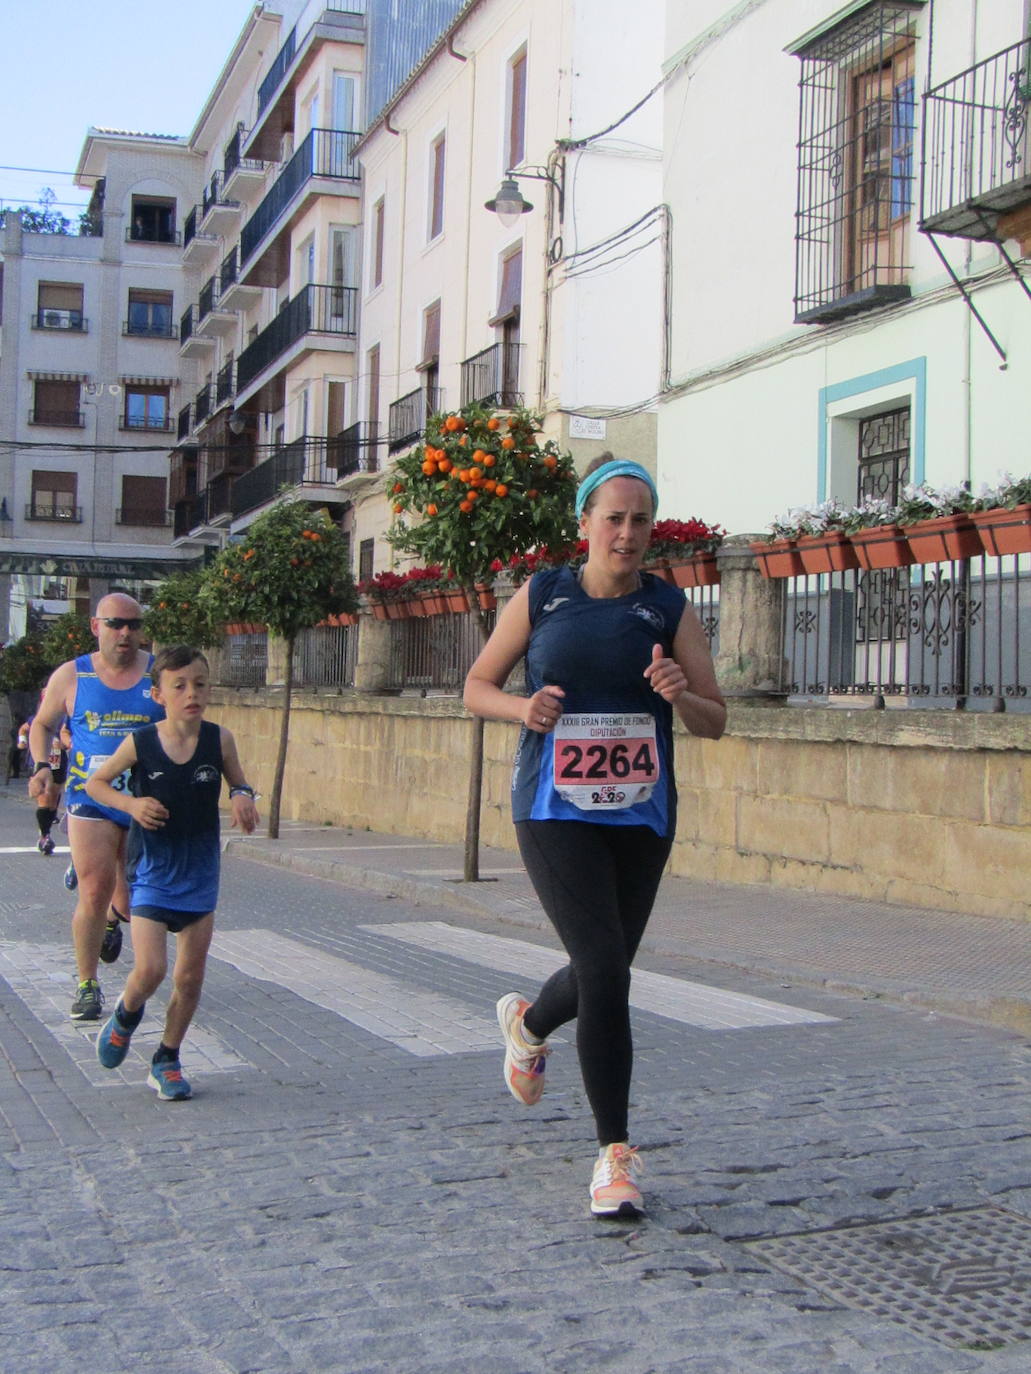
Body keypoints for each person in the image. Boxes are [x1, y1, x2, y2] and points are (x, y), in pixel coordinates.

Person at [464, 456, 726, 1219]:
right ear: (583, 524)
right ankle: (613, 1155)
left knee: (601, 965)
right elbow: (477, 685)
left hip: (640, 814)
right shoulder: (544, 594)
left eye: (640, 520)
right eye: (612, 518)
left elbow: (716, 718)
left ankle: (529, 1022)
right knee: (608, 970)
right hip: (551, 808)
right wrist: (524, 711)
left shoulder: (668, 609)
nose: (627, 533)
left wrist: (681, 697)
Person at [86, 645, 259, 1100]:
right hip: (151, 871)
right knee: (151, 969)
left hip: (200, 871)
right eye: (179, 686)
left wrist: (243, 795)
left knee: (190, 978)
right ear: (158, 694)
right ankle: (125, 1014)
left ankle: (167, 1058)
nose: (192, 694)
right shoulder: (142, 742)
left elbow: (239, 780)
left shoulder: (219, 740)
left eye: (200, 684)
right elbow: (95, 782)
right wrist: (131, 804)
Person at [28, 593, 165, 1020]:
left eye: (133, 625)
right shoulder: (73, 675)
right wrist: (41, 765)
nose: (125, 633)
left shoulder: (159, 672)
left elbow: (185, 722)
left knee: (131, 902)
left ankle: (113, 918)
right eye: (115, 624)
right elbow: (44, 723)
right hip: (91, 798)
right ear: (96, 626)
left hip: (144, 800)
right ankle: (87, 984)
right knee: (92, 888)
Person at [35, 719, 72, 855]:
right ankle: (44, 837)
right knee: (45, 796)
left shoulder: (67, 715)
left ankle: (46, 831)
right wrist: (23, 740)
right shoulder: (41, 717)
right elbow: (26, 728)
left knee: (54, 795)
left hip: (58, 760)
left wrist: (65, 743)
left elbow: (69, 735)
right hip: (44, 759)